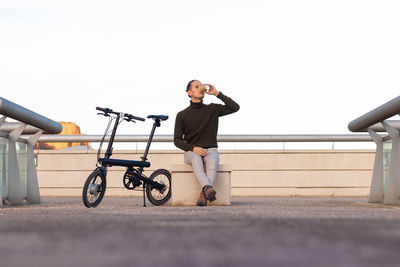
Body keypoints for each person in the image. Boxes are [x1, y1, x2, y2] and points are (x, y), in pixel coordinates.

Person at [174, 80, 240, 206]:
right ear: (189, 92)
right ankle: (208, 189)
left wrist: (217, 94)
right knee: (196, 158)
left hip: (211, 150)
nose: (201, 88)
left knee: (212, 160)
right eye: (196, 86)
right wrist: (193, 148)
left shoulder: (212, 109)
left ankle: (204, 193)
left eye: (201, 86)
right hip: (191, 152)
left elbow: (235, 107)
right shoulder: (182, 115)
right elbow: (177, 140)